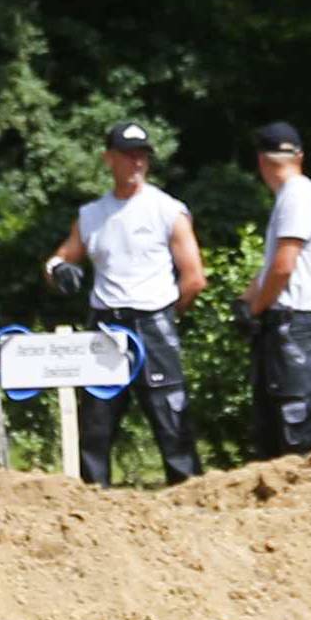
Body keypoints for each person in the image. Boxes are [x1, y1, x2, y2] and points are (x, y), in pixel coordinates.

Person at [43, 119, 205, 485]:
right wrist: (59, 271)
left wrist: (164, 315)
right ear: (108, 159)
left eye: (142, 156)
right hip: (106, 325)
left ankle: (192, 500)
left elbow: (193, 277)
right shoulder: (91, 215)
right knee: (96, 424)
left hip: (153, 322)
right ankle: (92, 503)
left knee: (171, 419)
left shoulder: (168, 210)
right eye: (128, 155)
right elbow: (60, 258)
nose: (136, 163)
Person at [243, 121, 311, 458]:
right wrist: (249, 297)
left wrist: (254, 308)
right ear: (299, 155)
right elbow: (274, 265)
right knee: (278, 421)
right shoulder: (297, 193)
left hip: (292, 323)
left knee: (295, 423)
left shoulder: (296, 196)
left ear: (261, 160)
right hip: (290, 322)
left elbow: (284, 266)